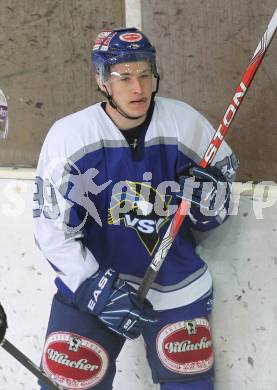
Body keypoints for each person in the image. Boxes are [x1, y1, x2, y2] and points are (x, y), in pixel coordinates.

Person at [33, 28, 239, 390]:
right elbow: (52, 229)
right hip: (94, 285)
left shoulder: (186, 124)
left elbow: (217, 209)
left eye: (144, 74)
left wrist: (210, 201)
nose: (138, 88)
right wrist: (90, 286)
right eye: (123, 77)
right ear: (102, 81)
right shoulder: (69, 137)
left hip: (178, 287)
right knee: (70, 382)